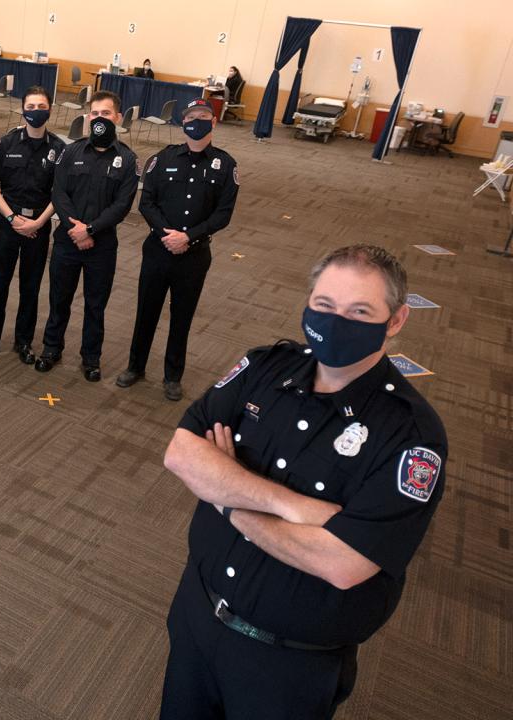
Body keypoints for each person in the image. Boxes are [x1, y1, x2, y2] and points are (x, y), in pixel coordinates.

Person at [159, 244, 447, 720]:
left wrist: (227, 496)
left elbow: (343, 562)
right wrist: (293, 508)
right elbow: (182, 453)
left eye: (359, 312)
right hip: (196, 615)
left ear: (396, 321)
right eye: (324, 305)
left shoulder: (411, 436)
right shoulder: (264, 367)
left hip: (288, 666)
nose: (336, 323)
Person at [117, 98, 239, 401]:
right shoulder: (162, 158)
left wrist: (188, 237)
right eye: (191, 117)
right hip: (158, 250)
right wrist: (167, 235)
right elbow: (147, 203)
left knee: (182, 317)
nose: (196, 121)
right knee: (146, 312)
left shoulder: (225, 165)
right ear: (183, 123)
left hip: (194, 255)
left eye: (203, 116)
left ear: (214, 122)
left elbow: (223, 214)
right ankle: (135, 367)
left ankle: (173, 376)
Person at [35, 90, 139, 380]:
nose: (99, 119)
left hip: (102, 246)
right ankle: (51, 348)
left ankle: (91, 358)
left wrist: (90, 230)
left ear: (118, 118)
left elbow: (122, 206)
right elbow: (59, 193)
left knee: (95, 306)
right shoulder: (71, 152)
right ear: (87, 117)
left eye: (106, 113)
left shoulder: (127, 159)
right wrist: (76, 230)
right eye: (94, 113)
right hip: (67, 242)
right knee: (59, 299)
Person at [0, 85, 66, 364]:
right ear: (22, 110)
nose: (36, 112)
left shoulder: (59, 149)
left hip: (38, 227)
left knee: (31, 286)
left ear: (50, 110)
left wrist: (38, 222)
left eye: (41, 107)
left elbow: (60, 194)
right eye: (30, 107)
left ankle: (24, 341)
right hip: (8, 222)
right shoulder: (7, 143)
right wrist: (11, 218)